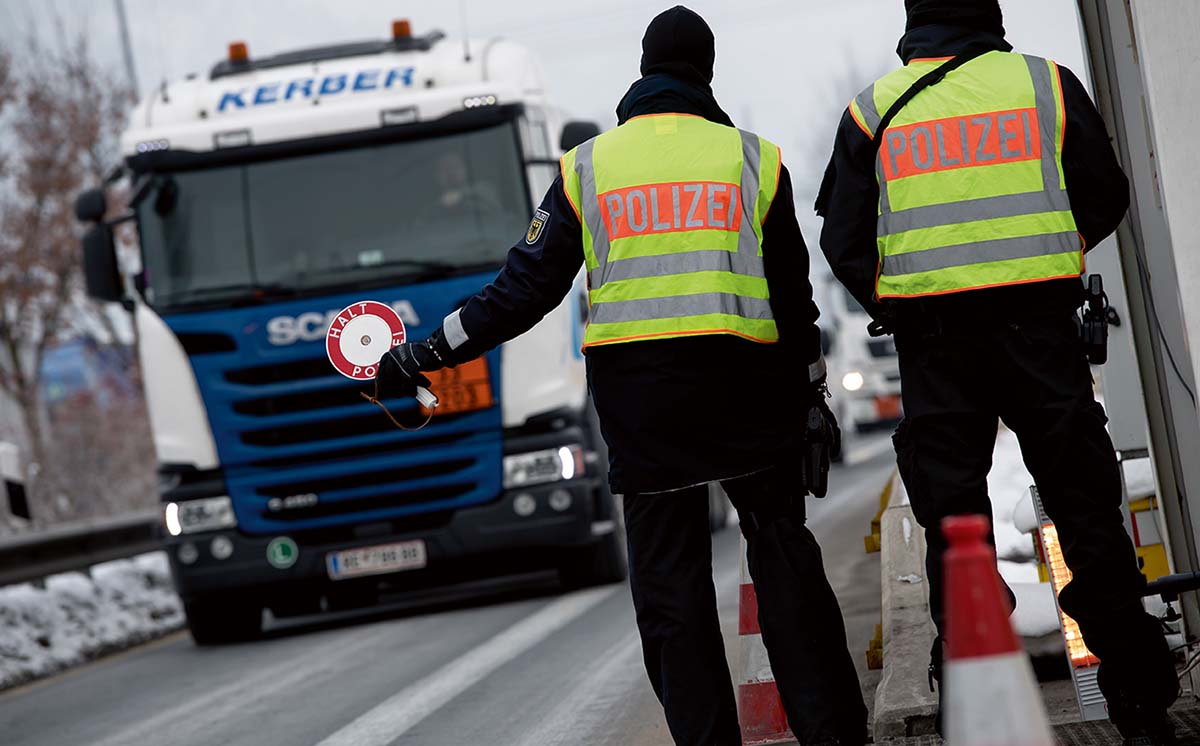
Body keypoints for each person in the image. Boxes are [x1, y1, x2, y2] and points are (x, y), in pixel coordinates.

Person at [375, 7, 867, 745]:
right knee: (783, 558)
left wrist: (425, 352)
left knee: (672, 593)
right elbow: (794, 303)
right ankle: (834, 734)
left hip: (645, 411)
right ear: (706, 74)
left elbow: (521, 293)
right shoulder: (755, 161)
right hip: (747, 399)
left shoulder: (589, 169)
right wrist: (810, 389)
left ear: (643, 72)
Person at [816, 1, 1179, 743]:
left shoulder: (872, 112)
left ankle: (978, 708)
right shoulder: (1045, 84)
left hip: (937, 347)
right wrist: (1050, 257)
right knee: (1085, 513)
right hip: (1039, 335)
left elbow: (843, 240)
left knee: (955, 531)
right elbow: (1106, 191)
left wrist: (901, 306)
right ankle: (1141, 709)